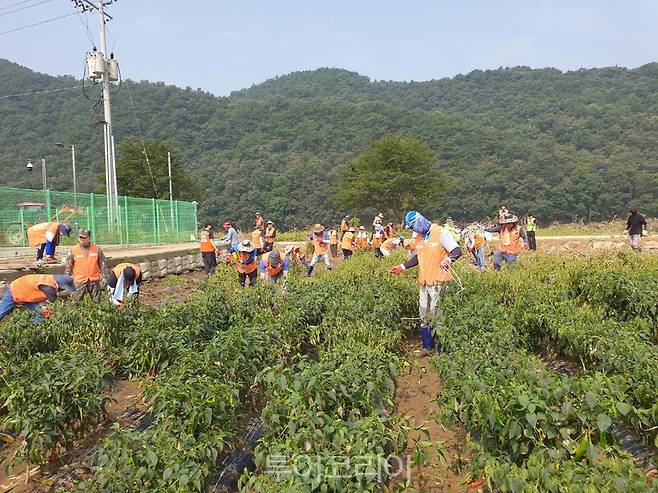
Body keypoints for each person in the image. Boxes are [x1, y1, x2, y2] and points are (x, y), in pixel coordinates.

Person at [390, 211, 461, 356]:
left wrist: (448, 260)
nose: (415, 230)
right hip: (424, 281)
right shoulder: (419, 238)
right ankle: (427, 347)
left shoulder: (440, 233)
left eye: (414, 226)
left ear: (420, 221)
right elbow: (418, 256)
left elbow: (457, 250)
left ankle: (440, 349)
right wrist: (402, 267)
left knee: (437, 316)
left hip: (438, 281)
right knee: (423, 315)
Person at [0, 274, 75, 323]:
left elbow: (41, 298)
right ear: (60, 285)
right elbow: (53, 300)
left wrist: (43, 307)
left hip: (28, 293)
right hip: (16, 290)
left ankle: (35, 331)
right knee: (1, 312)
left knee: (40, 314)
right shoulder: (48, 287)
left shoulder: (50, 279)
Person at [65, 228, 108, 301]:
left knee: (97, 302)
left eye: (85, 238)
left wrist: (104, 276)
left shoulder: (97, 249)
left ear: (89, 238)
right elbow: (68, 266)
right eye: (80, 238)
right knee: (76, 302)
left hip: (94, 280)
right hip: (79, 281)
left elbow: (102, 264)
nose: (82, 240)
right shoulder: (73, 250)